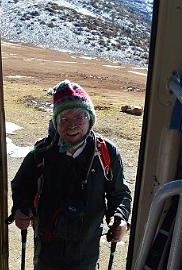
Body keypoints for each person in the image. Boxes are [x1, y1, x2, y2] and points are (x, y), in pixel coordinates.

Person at [11, 80, 132, 270]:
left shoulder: (106, 153)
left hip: (86, 249)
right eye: (64, 119)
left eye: (80, 117)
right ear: (56, 123)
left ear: (90, 118)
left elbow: (119, 193)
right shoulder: (41, 153)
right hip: (48, 249)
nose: (72, 126)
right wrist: (21, 209)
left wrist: (120, 217)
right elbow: (22, 186)